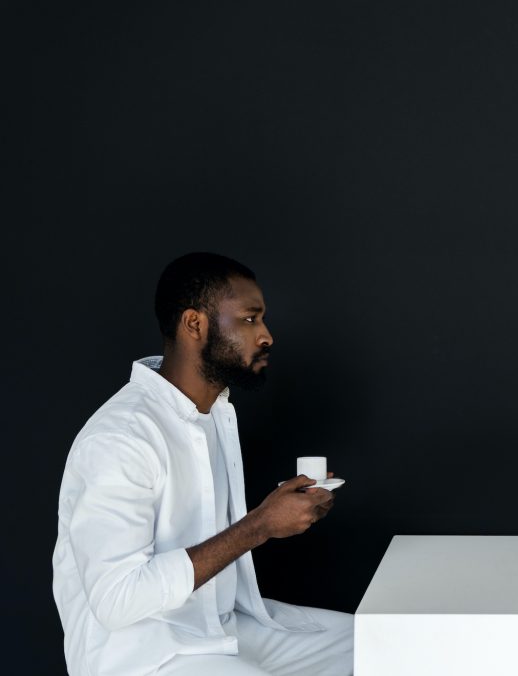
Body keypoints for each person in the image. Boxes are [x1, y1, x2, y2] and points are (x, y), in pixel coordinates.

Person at [53, 253, 354, 676]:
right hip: (146, 654)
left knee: (377, 645)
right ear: (194, 324)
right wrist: (261, 524)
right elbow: (115, 600)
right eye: (250, 320)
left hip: (222, 626)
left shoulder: (215, 412)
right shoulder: (121, 437)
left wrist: (279, 512)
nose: (266, 336)